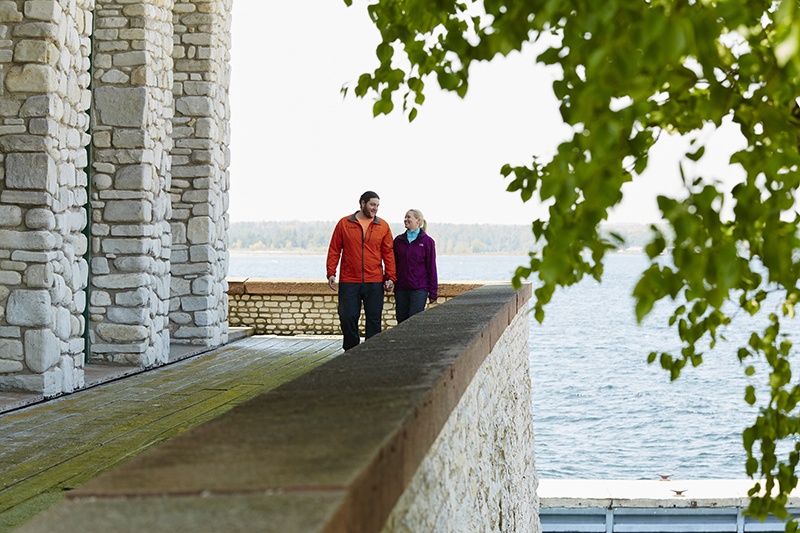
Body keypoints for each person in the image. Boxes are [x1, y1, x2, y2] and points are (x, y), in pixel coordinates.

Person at [326, 191, 396, 350]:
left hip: (375, 281)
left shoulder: (383, 226)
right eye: (372, 204)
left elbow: (388, 254)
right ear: (362, 203)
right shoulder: (344, 223)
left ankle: (371, 352)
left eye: (377, 205)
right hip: (349, 280)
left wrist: (391, 277)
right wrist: (331, 272)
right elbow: (334, 249)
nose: (375, 208)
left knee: (374, 319)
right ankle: (351, 350)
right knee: (347, 317)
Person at [393, 209, 438, 323]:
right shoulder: (398, 240)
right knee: (401, 321)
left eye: (409, 217)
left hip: (419, 289)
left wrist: (433, 292)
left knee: (414, 321)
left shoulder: (427, 241)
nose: (406, 220)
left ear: (418, 221)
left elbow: (431, 267)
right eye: (405, 217)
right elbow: (393, 263)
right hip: (401, 288)